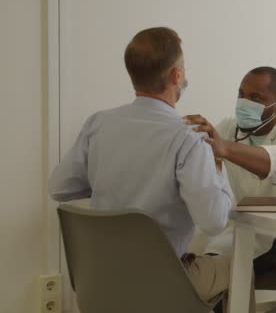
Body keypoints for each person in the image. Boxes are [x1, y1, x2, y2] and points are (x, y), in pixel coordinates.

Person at [48, 27, 245, 313]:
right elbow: (214, 221)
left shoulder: (98, 124)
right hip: (164, 286)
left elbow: (59, 188)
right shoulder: (189, 139)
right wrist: (217, 165)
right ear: (177, 76)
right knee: (239, 265)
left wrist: (112, 178)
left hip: (101, 280)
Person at [184, 66, 276, 313]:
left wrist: (224, 148)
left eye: (256, 98)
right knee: (213, 274)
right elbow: (203, 165)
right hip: (249, 231)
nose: (244, 102)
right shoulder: (228, 127)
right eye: (241, 94)